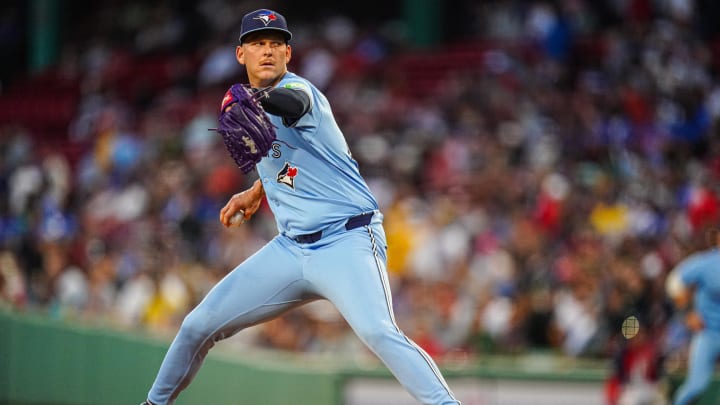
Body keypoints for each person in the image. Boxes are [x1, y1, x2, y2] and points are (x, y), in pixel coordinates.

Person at [140, 8, 460, 405]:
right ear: (241, 54)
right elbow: (286, 157)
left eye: (276, 43)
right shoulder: (253, 106)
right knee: (195, 326)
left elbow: (288, 105)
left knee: (378, 331)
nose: (268, 51)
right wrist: (258, 189)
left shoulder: (302, 93)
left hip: (348, 241)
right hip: (291, 249)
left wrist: (258, 100)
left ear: (289, 53)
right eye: (258, 43)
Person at [665, 228, 720, 405]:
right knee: (697, 385)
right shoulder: (707, 263)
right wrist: (687, 312)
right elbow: (675, 282)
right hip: (709, 332)